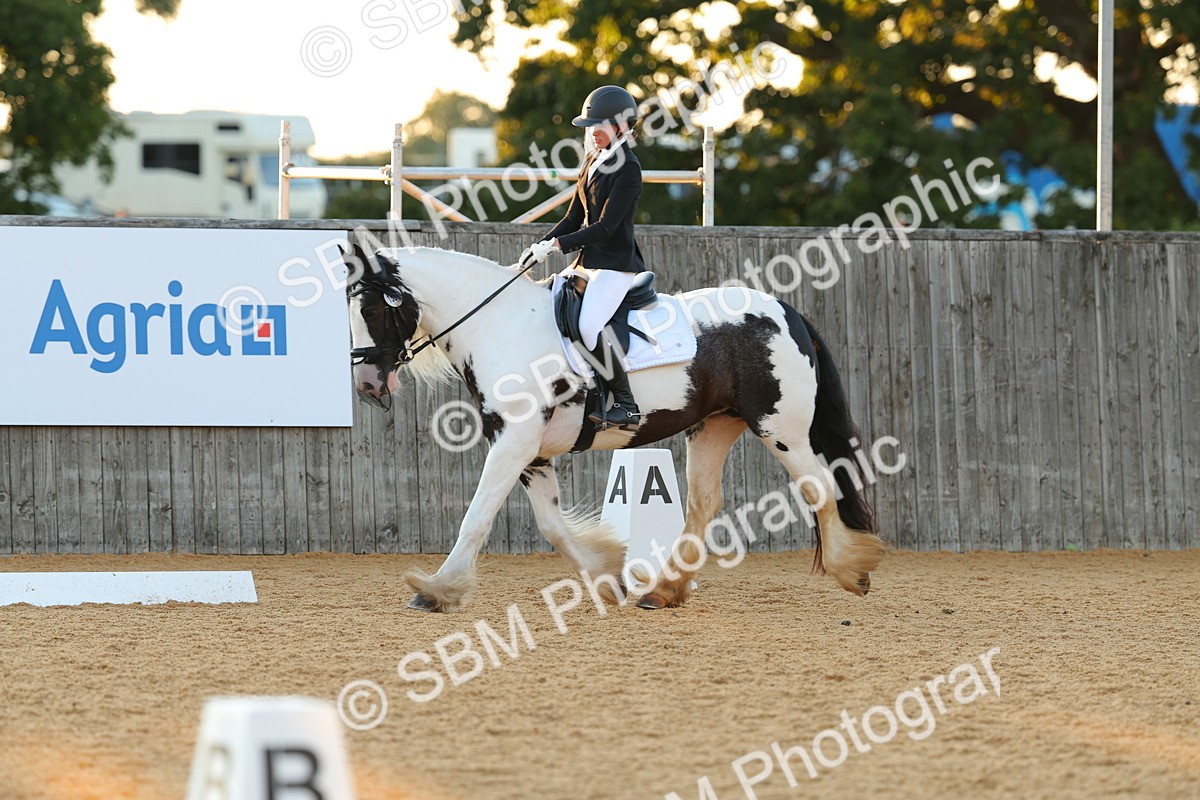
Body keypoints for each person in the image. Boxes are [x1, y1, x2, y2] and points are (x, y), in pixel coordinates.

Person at [521, 85, 646, 429]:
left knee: (589, 325)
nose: (594, 133)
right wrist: (540, 245)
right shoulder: (593, 160)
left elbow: (605, 227)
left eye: (601, 126)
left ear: (622, 126)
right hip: (587, 263)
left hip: (614, 265)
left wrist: (561, 246)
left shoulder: (628, 169)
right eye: (591, 126)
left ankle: (627, 404)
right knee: (550, 303)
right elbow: (573, 218)